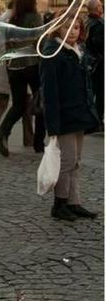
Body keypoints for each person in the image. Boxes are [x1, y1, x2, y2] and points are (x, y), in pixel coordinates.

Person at [40, 12, 99, 221]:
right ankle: (59, 204)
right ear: (58, 30)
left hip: (79, 113)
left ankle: (74, 202)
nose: (73, 32)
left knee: (76, 161)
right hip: (64, 116)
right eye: (68, 28)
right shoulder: (52, 53)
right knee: (66, 161)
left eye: (76, 28)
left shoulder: (79, 51)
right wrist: (53, 125)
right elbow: (49, 92)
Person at [0, 0, 45, 156]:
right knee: (41, 103)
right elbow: (41, 42)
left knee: (18, 105)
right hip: (32, 65)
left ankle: (3, 131)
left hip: (14, 68)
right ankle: (39, 143)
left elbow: (8, 45)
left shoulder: (12, 20)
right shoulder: (35, 18)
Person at [85, 0, 104, 129]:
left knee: (91, 92)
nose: (102, 8)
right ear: (97, 8)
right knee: (100, 93)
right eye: (101, 6)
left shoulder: (87, 22)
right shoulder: (98, 24)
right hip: (99, 63)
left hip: (89, 62)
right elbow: (99, 44)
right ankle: (96, 121)